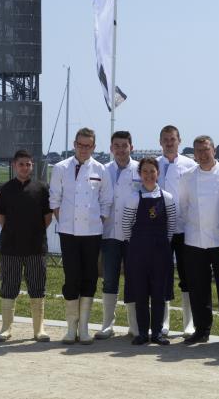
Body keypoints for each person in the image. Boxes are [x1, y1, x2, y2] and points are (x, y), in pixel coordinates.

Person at [49, 127, 112, 345]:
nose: (84, 149)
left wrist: (97, 220)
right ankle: (70, 327)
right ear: (74, 144)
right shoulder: (60, 168)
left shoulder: (101, 169)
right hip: (68, 232)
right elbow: (54, 200)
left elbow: (106, 202)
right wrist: (64, 220)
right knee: (71, 277)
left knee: (90, 277)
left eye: (88, 146)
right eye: (80, 145)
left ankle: (84, 327)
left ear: (94, 147)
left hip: (92, 233)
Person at [179, 135, 219, 345]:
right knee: (198, 289)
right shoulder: (187, 176)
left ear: (214, 150)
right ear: (194, 154)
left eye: (206, 150)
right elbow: (184, 206)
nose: (203, 155)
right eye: (198, 151)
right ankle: (201, 329)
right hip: (194, 239)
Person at [0, 149, 52, 342]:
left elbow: (48, 218)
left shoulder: (42, 189)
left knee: (37, 286)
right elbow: (1, 218)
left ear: (32, 166)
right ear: (14, 165)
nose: (25, 167)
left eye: (28, 164)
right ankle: (6, 328)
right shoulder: (4, 189)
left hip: (36, 247)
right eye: (21, 164)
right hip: (10, 247)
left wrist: (33, 232)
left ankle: (39, 329)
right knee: (9, 285)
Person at [122, 157, 176, 345]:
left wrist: (162, 243)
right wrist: (138, 244)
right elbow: (126, 226)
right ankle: (143, 333)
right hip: (138, 252)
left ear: (158, 173)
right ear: (140, 174)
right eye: (145, 171)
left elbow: (171, 225)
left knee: (159, 294)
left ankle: (157, 333)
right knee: (141, 293)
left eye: (152, 171)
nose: (149, 175)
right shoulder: (133, 198)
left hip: (161, 252)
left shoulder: (167, 198)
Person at [95, 131, 141, 340]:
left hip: (133, 237)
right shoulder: (103, 171)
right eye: (117, 146)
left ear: (131, 147)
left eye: (125, 145)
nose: (121, 149)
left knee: (133, 279)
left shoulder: (141, 170)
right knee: (109, 280)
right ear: (111, 148)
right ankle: (107, 324)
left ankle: (135, 325)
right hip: (109, 235)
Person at [157, 125, 197, 337]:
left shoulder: (190, 165)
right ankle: (163, 323)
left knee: (187, 276)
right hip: (160, 231)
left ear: (179, 140)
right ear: (160, 142)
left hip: (184, 229)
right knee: (163, 276)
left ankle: (188, 323)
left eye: (172, 139)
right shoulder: (153, 164)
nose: (169, 143)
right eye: (165, 139)